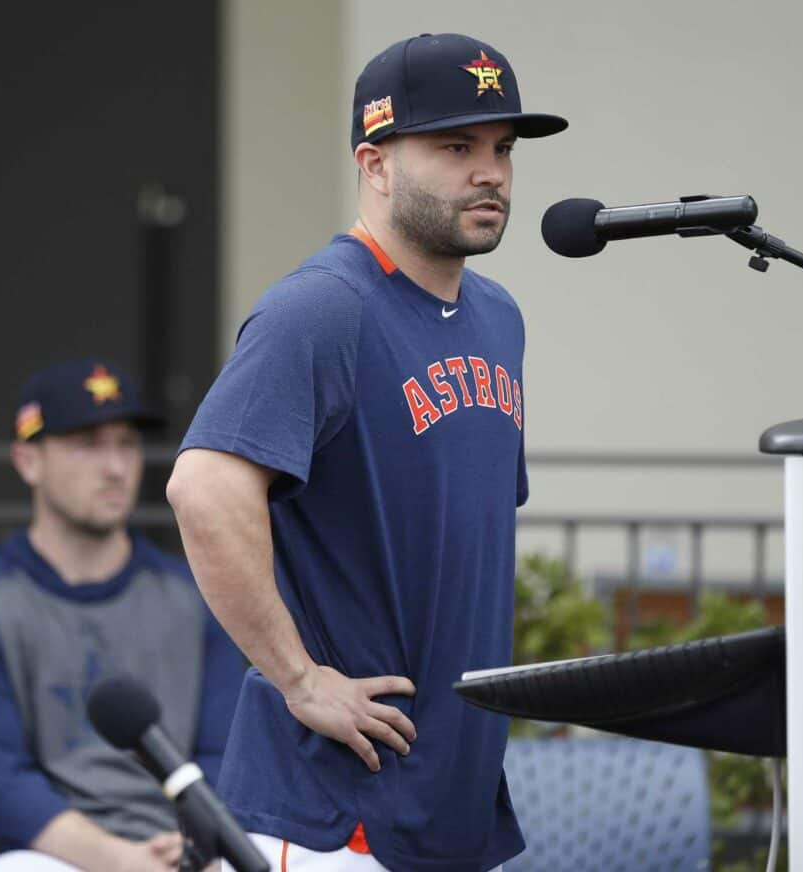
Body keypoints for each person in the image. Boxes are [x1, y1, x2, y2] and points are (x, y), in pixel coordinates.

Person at [166, 33, 566, 872]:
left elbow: (460, 547)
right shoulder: (322, 309)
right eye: (455, 147)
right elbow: (203, 488)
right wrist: (299, 678)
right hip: (336, 816)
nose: (490, 172)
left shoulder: (500, 318)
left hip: (451, 808)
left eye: (502, 149)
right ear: (375, 163)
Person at [0, 360, 245, 872]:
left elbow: (223, 753)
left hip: (191, 846)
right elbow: (0, 781)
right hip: (50, 856)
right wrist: (123, 861)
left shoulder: (199, 594)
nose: (116, 467)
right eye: (88, 445)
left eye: (126, 444)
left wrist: (190, 847)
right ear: (28, 461)